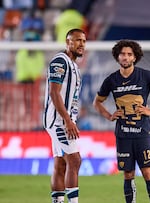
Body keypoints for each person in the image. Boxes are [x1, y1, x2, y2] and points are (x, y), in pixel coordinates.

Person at [93, 39, 150, 203]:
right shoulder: (111, 80)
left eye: (129, 54)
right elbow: (97, 102)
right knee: (128, 174)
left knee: (147, 172)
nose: (125, 57)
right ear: (117, 57)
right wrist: (109, 116)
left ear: (135, 58)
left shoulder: (145, 75)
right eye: (122, 54)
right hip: (123, 134)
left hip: (142, 132)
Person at [43, 28, 86, 203]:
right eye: (77, 40)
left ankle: (58, 201)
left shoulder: (74, 66)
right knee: (74, 160)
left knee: (61, 163)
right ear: (68, 42)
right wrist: (67, 120)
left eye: (83, 41)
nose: (81, 44)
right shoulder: (60, 61)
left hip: (65, 119)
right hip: (58, 120)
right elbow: (54, 93)